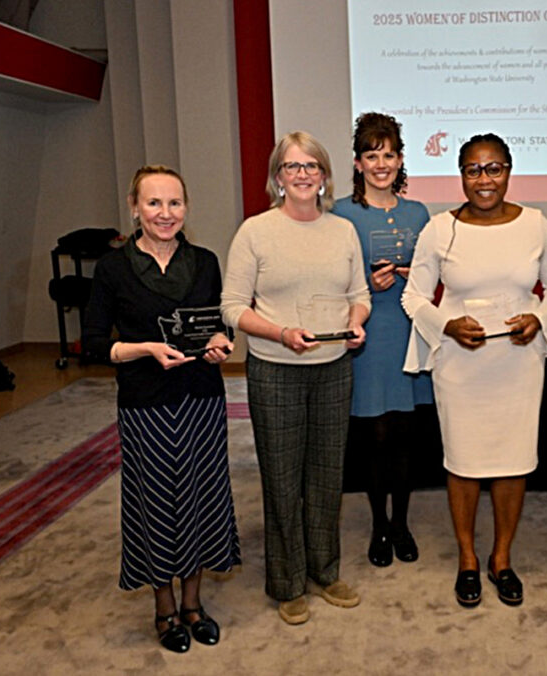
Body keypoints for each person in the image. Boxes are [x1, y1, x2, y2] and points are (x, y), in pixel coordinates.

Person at [401, 133, 547, 608]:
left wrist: (540, 316)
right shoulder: (438, 229)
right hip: (460, 365)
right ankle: (468, 558)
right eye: (474, 170)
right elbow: (414, 296)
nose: (484, 179)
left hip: (518, 363)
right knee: (464, 463)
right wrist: (446, 324)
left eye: (494, 168)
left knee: (514, 461)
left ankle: (502, 558)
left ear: (509, 171)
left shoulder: (536, 224)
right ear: (461, 176)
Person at [83, 165, 240, 653]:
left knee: (199, 497)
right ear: (134, 207)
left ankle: (194, 604)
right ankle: (164, 609)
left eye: (174, 203)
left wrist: (221, 341)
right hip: (146, 406)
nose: (165, 213)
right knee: (156, 506)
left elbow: (219, 325)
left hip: (202, 400)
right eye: (154, 203)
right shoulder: (112, 269)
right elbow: (92, 345)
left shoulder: (207, 262)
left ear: (186, 208)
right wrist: (145, 348)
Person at [221, 132, 370, 626]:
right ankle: (286, 581)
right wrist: (282, 333)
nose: (302, 174)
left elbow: (359, 292)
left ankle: (325, 571)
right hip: (275, 369)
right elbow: (233, 307)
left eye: (312, 166)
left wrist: (357, 322)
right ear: (277, 177)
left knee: (327, 477)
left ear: (325, 176)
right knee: (283, 480)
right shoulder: (255, 232)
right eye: (292, 166)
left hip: (333, 370)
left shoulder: (342, 230)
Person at [332, 112, 434, 567]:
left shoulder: (418, 213)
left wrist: (415, 274)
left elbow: (433, 277)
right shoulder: (339, 213)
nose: (381, 163)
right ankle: (377, 525)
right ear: (357, 162)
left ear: (400, 160)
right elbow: (333, 280)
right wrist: (367, 284)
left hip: (410, 333)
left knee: (406, 435)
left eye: (389, 154)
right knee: (374, 435)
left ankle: (402, 523)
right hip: (368, 337)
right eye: (372, 155)